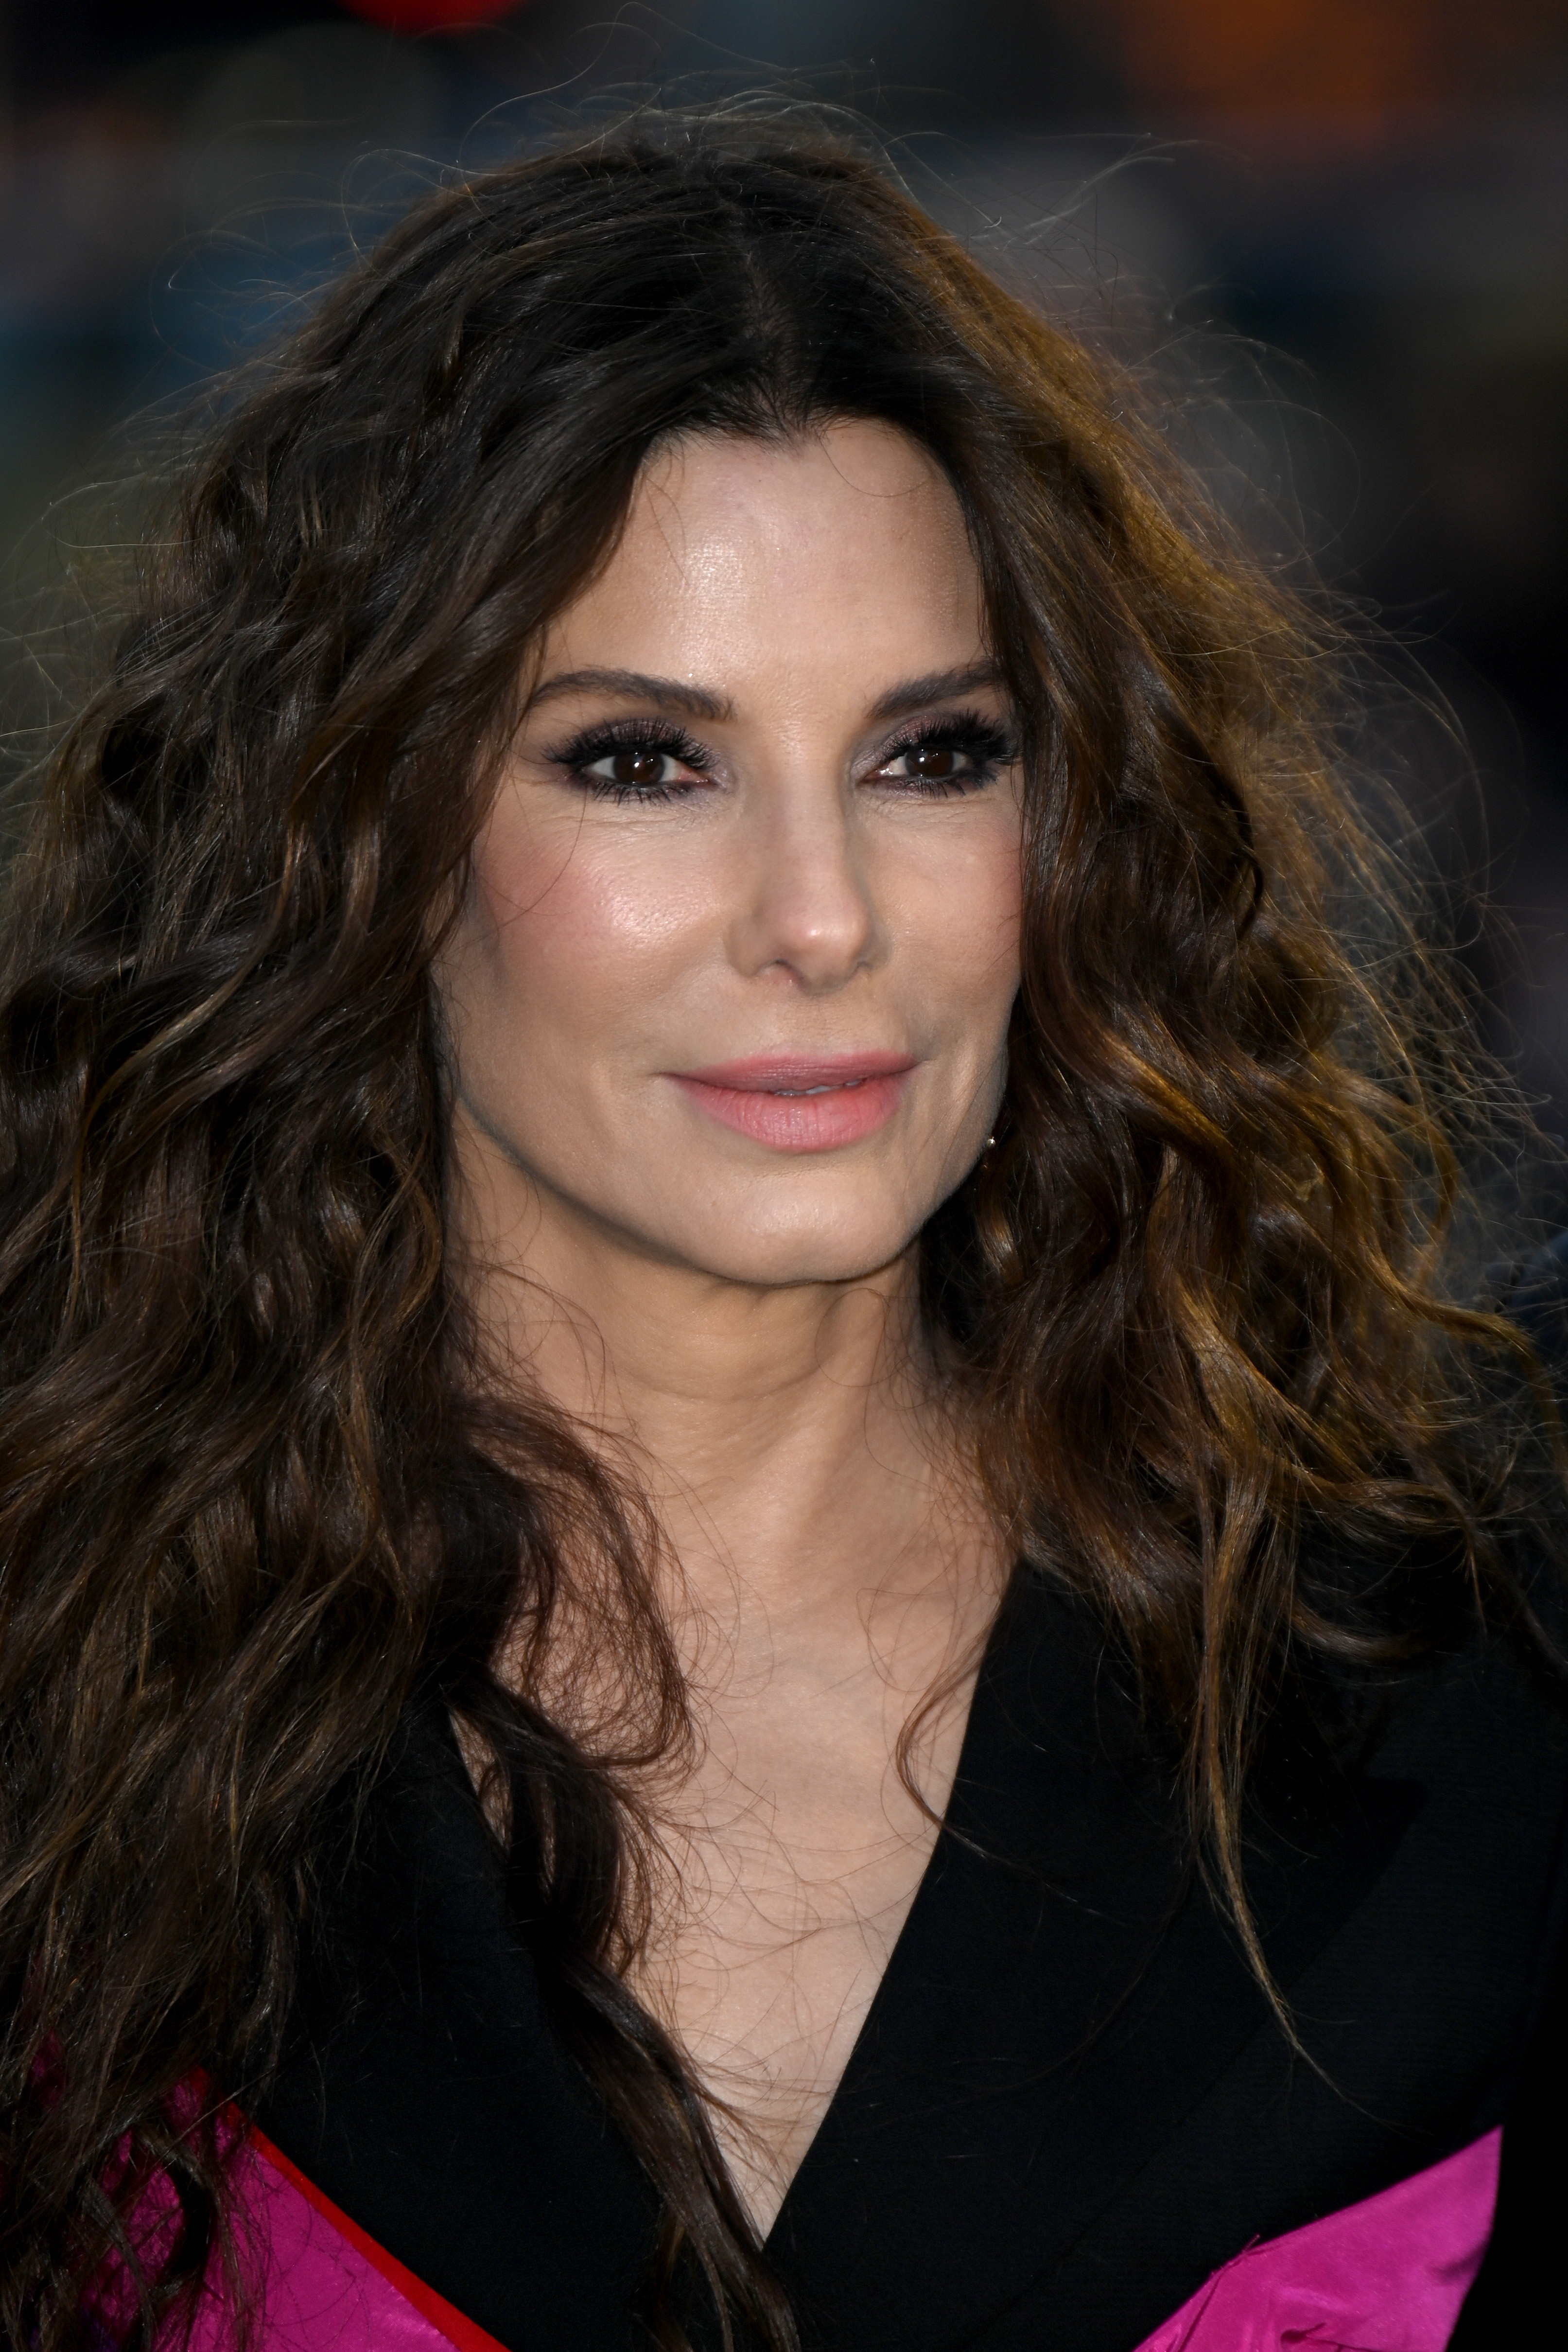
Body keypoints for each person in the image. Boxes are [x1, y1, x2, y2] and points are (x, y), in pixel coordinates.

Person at [0, 111, 1563, 2352]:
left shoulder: (1468, 1687)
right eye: (645, 760)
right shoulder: (63, 1712)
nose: (824, 920)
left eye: (933, 754)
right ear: (352, 832)